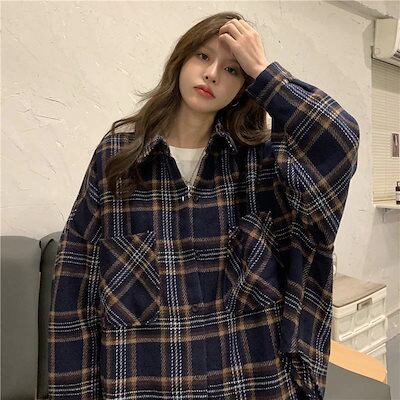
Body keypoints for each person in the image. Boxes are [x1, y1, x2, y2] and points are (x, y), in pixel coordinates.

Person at [48, 11, 360, 400]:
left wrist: (265, 74)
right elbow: (75, 289)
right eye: (203, 56)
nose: (212, 74)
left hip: (252, 380)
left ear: (245, 87)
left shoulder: (260, 163)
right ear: (181, 60)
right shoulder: (119, 159)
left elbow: (339, 141)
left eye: (232, 69)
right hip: (150, 384)